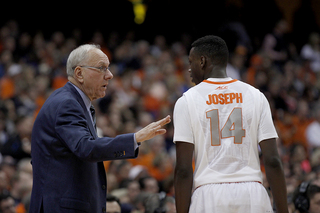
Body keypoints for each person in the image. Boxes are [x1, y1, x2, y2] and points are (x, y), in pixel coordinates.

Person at [29, 44, 171, 213]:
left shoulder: (76, 102)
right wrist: (134, 138)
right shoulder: (67, 104)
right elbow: (86, 148)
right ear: (79, 73)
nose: (110, 75)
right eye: (102, 68)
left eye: (108, 68)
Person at [173, 35, 288, 213]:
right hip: (253, 193)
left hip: (209, 194)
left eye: (191, 62)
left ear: (202, 61)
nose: (189, 69)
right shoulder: (255, 95)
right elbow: (273, 161)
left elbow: (183, 170)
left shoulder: (187, 101)